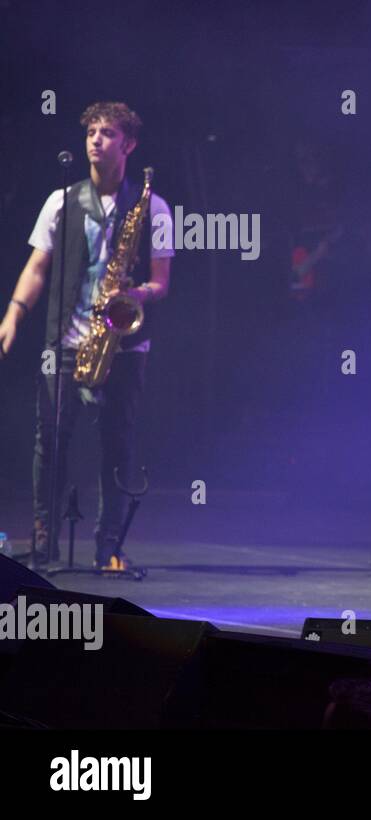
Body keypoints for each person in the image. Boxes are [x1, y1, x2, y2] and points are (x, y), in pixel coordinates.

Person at [0, 101, 174, 569]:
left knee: (117, 444)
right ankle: (43, 540)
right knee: (49, 440)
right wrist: (14, 314)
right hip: (65, 341)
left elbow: (162, 282)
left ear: (129, 144)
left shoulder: (151, 207)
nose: (95, 140)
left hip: (123, 345)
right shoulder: (61, 200)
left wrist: (132, 292)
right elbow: (37, 267)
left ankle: (109, 547)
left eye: (107, 133)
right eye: (91, 132)